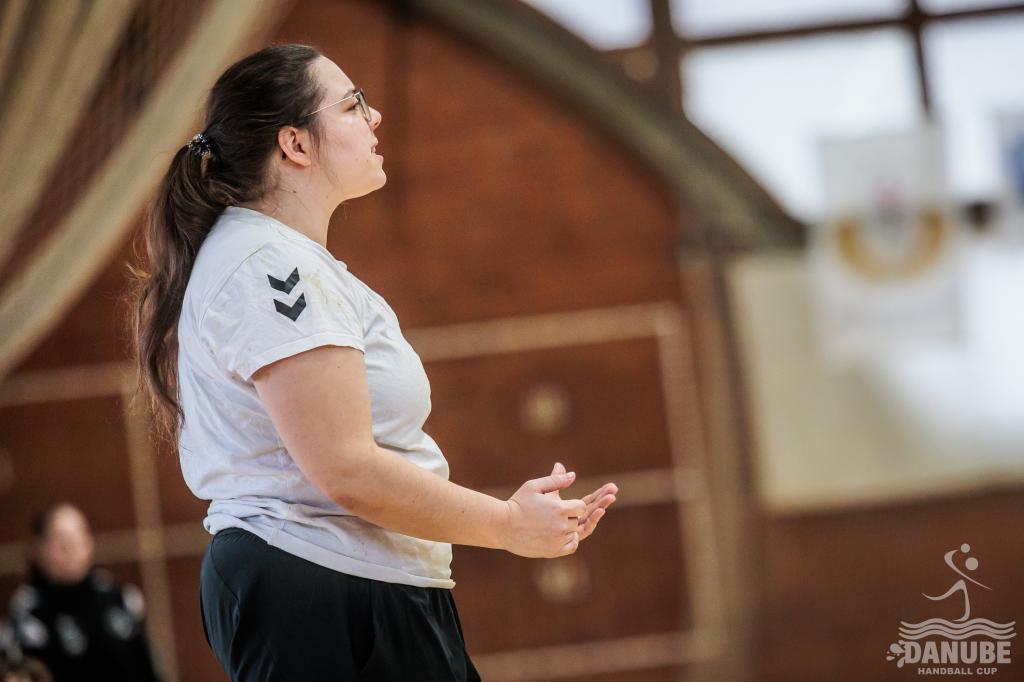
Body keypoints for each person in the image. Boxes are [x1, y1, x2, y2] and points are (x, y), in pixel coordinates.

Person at [129, 43, 618, 680]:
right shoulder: (270, 265)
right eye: (353, 104)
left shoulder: (278, 257)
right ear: (295, 144)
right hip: (322, 587)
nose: (375, 116)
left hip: (352, 585)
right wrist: (507, 525)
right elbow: (347, 470)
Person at [5, 503, 161, 681]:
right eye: (61, 540)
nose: (70, 548)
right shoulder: (28, 610)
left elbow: (148, 666)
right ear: (39, 547)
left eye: (78, 537)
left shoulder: (116, 595)